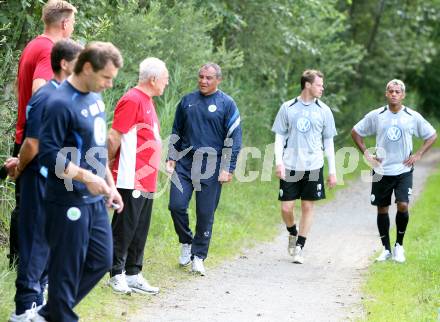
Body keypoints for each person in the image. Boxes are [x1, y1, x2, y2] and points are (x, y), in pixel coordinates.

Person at [37, 41, 124, 322]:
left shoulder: (95, 98)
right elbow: (48, 158)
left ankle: (48, 314)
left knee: (101, 259)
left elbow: (97, 151)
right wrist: (86, 177)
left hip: (95, 198)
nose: (110, 84)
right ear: (87, 67)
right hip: (66, 200)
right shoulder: (60, 103)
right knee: (65, 271)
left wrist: (109, 185)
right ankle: (59, 314)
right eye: (106, 77)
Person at [5, 39, 83, 322]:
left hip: (56, 182)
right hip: (37, 179)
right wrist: (21, 167)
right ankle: (24, 308)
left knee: (50, 240)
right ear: (64, 63)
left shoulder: (65, 94)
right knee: (35, 242)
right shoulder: (47, 96)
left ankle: (39, 300)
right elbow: (32, 143)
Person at [5, 0, 77, 268]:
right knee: (35, 206)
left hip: (25, 135)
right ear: (64, 24)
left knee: (26, 203)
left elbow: (20, 87)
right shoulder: (50, 50)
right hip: (37, 140)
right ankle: (24, 262)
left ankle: (18, 262)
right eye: (72, 23)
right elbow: (40, 91)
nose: (72, 27)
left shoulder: (34, 44)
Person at [166, 63, 242, 276]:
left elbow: (234, 140)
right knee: (176, 205)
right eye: (200, 77)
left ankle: (198, 257)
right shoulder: (187, 101)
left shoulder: (227, 104)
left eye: (208, 78)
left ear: (218, 79)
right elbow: (176, 131)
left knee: (205, 213)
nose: (203, 81)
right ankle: (186, 242)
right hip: (184, 164)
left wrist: (228, 167)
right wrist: (171, 157)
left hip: (212, 165)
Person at [351, 79, 437, 263]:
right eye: (391, 91)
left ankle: (399, 246)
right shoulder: (377, 115)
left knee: (403, 205)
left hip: (403, 169)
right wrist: (367, 154)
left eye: (397, 91)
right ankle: (386, 249)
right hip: (381, 170)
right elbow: (356, 132)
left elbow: (432, 135)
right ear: (386, 94)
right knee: (382, 208)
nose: (394, 94)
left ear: (403, 95)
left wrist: (419, 154)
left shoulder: (412, 116)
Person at [107, 57, 169, 295]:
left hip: (147, 177)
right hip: (129, 175)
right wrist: (109, 164)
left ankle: (133, 272)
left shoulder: (148, 101)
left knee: (140, 227)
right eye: (165, 78)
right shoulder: (132, 99)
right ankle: (116, 273)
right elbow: (115, 136)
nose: (166, 83)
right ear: (153, 79)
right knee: (125, 226)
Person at [272, 69, 337, 264]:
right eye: (319, 85)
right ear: (307, 85)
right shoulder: (288, 107)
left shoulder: (324, 110)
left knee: (308, 206)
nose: (322, 88)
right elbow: (279, 136)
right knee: (286, 208)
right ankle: (292, 232)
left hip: (314, 166)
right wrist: (278, 161)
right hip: (291, 165)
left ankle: (300, 246)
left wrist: (332, 171)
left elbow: (329, 142)